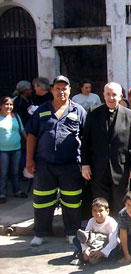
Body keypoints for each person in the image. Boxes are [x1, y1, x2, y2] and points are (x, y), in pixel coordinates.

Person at [26, 75, 86, 246]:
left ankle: (72, 232)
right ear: (52, 90)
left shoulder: (78, 111)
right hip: (44, 164)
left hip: (70, 165)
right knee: (42, 201)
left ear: (70, 90)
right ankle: (40, 233)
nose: (61, 91)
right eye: (57, 88)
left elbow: (86, 138)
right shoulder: (42, 110)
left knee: (72, 201)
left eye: (64, 88)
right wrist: (29, 161)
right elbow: (31, 136)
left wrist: (85, 163)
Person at [81, 82, 131, 215]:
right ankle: (101, 232)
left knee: (120, 204)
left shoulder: (129, 114)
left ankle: (119, 232)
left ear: (120, 96)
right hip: (98, 168)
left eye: (114, 95)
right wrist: (85, 164)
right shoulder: (93, 112)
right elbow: (85, 141)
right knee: (100, 205)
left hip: (121, 167)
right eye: (108, 94)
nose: (111, 98)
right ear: (103, 95)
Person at [70, 197, 118, 265]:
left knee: (114, 251)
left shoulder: (111, 222)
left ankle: (99, 257)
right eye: (95, 211)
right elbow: (85, 237)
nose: (98, 213)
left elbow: (113, 241)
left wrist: (102, 252)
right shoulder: (91, 221)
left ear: (107, 211)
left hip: (105, 244)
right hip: (93, 244)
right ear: (92, 212)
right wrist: (85, 250)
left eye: (101, 210)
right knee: (76, 239)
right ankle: (82, 254)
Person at [0, 96, 27, 203]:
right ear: (1, 105)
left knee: (15, 171)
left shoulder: (16, 116)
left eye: (11, 104)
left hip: (16, 149)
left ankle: (17, 190)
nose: (9, 107)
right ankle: (2, 193)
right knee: (3, 172)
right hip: (2, 150)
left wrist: (29, 141)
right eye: (6, 104)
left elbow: (22, 130)